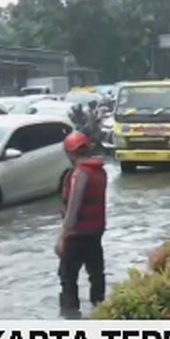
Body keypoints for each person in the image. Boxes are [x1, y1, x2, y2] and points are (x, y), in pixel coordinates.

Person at [55, 132, 107, 317]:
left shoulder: (79, 174)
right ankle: (101, 313)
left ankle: (71, 318)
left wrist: (63, 236)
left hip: (76, 236)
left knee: (68, 279)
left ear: (70, 154)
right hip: (95, 235)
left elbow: (73, 208)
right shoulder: (100, 171)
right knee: (97, 277)